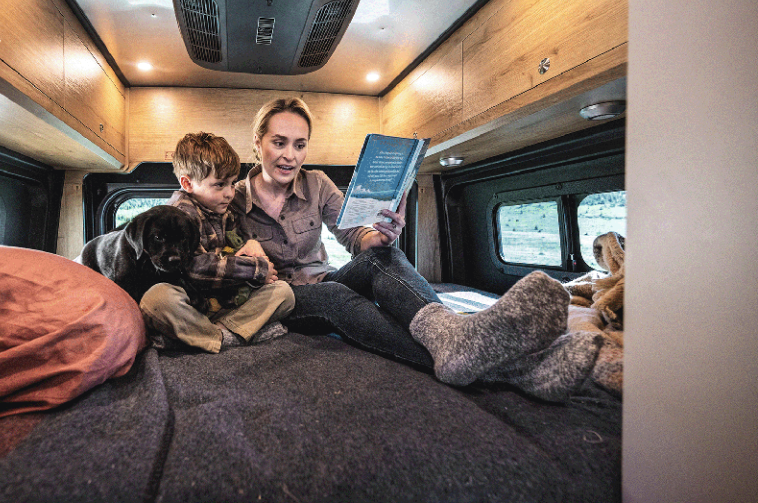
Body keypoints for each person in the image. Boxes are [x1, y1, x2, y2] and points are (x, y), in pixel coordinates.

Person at [233, 98, 599, 398]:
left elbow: (353, 236)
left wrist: (379, 236)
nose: (290, 156)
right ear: (257, 142)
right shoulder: (230, 199)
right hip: (283, 299)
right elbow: (206, 251)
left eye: (300, 145)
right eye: (278, 142)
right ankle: (516, 370)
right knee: (335, 296)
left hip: (326, 277)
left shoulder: (317, 183)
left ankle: (455, 336)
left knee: (383, 256)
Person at [139, 132, 295, 353]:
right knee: (156, 301)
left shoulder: (223, 211)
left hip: (222, 302)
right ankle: (233, 335)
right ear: (187, 183)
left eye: (232, 184)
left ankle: (212, 335)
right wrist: (255, 269)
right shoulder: (180, 214)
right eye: (220, 185)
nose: (230, 193)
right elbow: (194, 267)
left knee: (284, 294)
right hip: (191, 302)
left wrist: (248, 247)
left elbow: (233, 249)